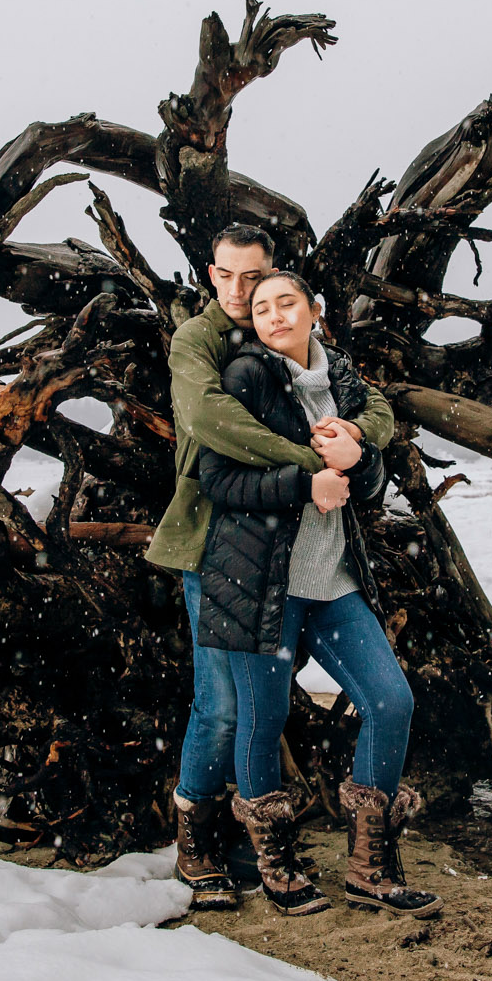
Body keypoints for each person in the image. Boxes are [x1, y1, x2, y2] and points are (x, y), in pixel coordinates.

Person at [146, 225, 391, 911]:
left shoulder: (278, 335)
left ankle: (242, 840)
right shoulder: (197, 340)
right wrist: (314, 463)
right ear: (210, 272)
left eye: (252, 278)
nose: (238, 290)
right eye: (225, 275)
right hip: (209, 541)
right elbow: (210, 420)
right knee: (222, 704)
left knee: (256, 707)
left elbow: (374, 406)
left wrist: (360, 439)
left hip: (274, 548)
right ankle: (195, 843)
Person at [196, 270, 442, 920]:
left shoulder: (342, 379)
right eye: (262, 307)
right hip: (257, 584)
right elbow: (216, 480)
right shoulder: (245, 378)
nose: (275, 315)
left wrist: (358, 461)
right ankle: (276, 862)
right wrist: (301, 484)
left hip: (332, 581)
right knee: (263, 718)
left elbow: (370, 486)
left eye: (288, 303)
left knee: (390, 701)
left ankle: (369, 865)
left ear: (314, 310)